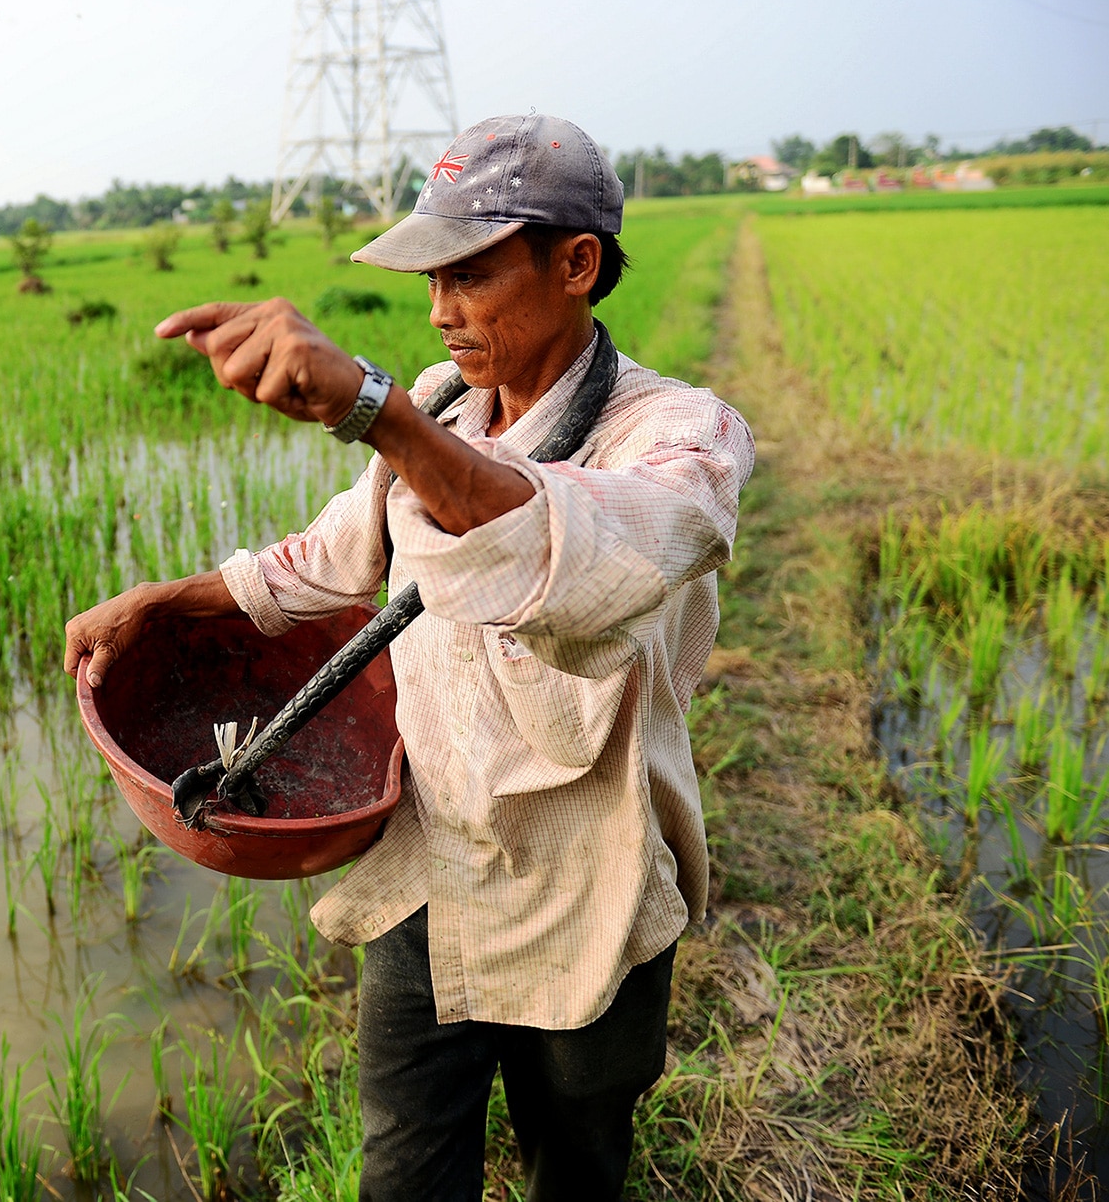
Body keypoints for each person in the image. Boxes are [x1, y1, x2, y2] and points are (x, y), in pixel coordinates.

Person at [62, 114, 754, 1200]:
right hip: (427, 863)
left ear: (575, 265)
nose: (439, 313)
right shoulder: (441, 402)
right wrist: (165, 603)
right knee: (402, 1168)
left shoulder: (679, 436)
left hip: (586, 881)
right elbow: (333, 558)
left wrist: (373, 410)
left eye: (468, 275)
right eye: (429, 280)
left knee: (574, 1169)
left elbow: (581, 564)